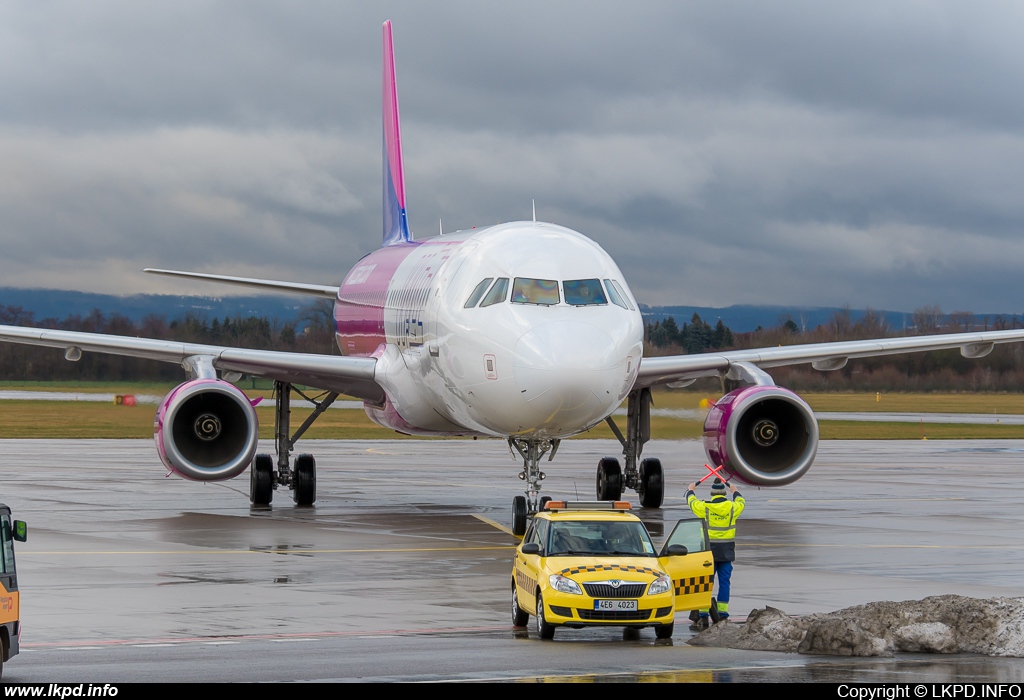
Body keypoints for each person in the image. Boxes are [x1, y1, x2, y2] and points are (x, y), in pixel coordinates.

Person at [686, 477, 745, 627]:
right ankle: (722, 615)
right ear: (724, 494)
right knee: (724, 583)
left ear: (712, 494)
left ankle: (703, 615)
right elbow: (741, 502)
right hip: (726, 553)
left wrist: (691, 489)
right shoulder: (732, 508)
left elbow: (691, 502)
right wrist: (735, 490)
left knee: (706, 584)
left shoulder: (705, 507)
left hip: (708, 553)